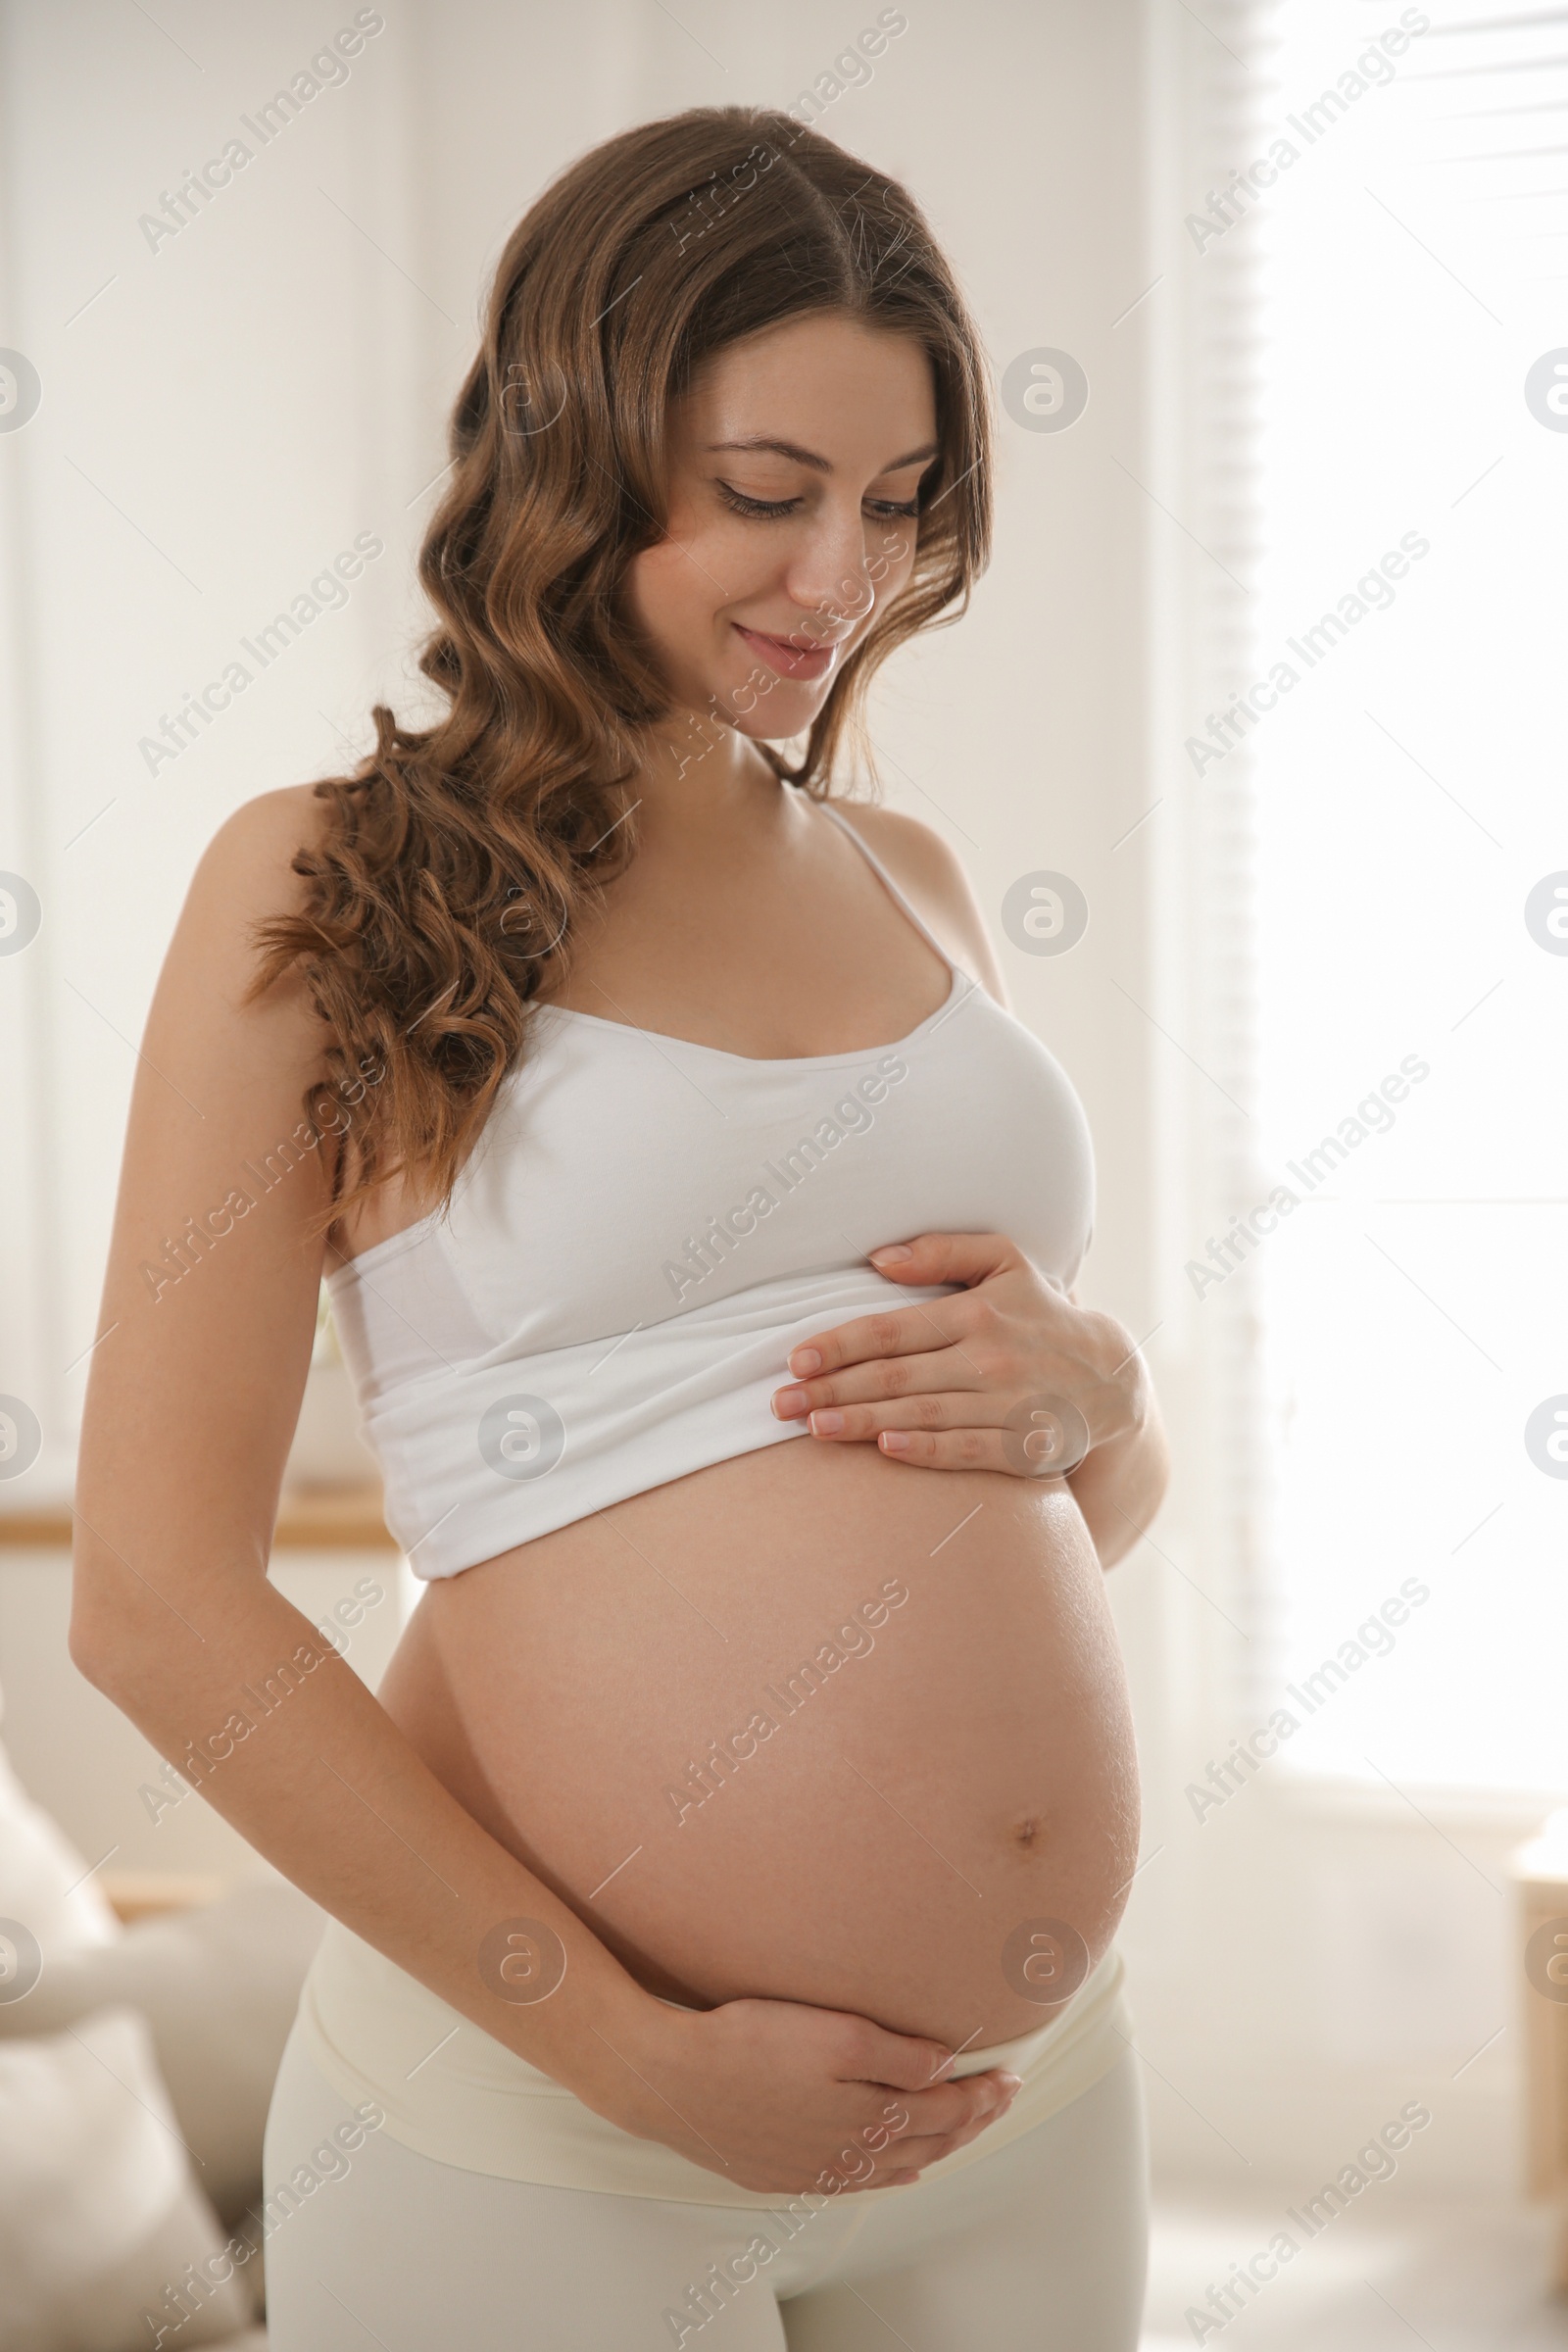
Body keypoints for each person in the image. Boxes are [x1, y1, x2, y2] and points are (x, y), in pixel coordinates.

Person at [72, 104, 1168, 2351]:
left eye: (895, 503)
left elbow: (1043, 1515)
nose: (837, 577)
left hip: (1024, 2095)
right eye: (765, 495)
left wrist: (1103, 1395)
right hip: (555, 2125)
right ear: (569, 459)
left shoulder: (912, 885)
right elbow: (152, 1603)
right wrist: (637, 2055)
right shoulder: (327, 884)